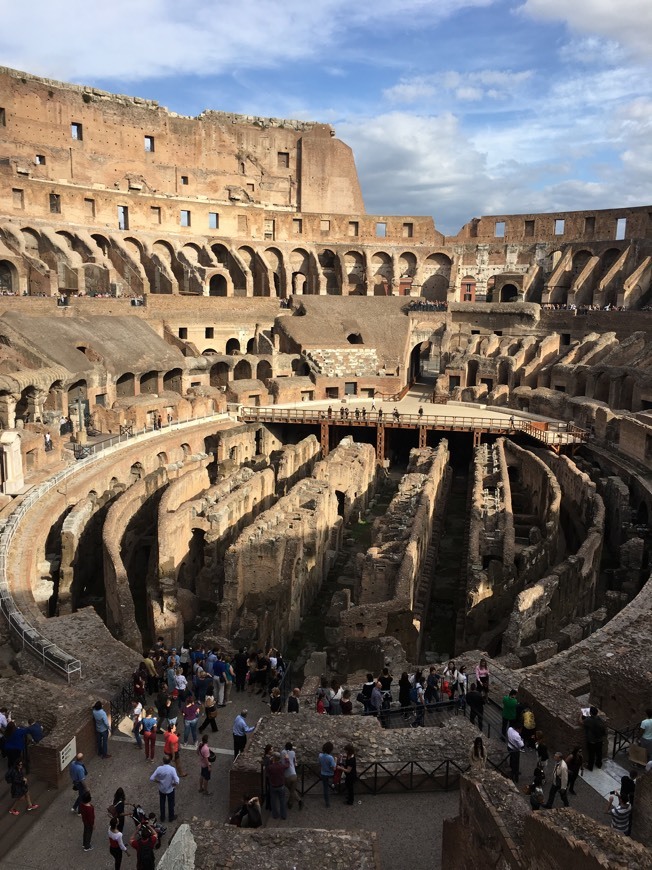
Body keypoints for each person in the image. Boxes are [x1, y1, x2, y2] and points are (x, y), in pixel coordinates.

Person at [149, 754, 179, 822]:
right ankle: (171, 817)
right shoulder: (172, 769)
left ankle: (162, 817)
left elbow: (151, 778)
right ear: (170, 761)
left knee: (162, 803)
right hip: (170, 789)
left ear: (163, 761)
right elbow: (177, 781)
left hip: (161, 789)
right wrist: (173, 784)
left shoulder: (159, 769)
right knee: (171, 803)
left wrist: (158, 781)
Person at [581, 706, 606, 770]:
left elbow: (581, 722)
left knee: (591, 755)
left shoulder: (589, 720)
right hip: (600, 740)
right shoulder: (599, 719)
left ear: (590, 713)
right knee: (599, 753)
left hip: (592, 741)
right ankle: (599, 764)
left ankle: (590, 767)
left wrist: (581, 715)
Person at [267, 751, 289, 819]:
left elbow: (268, 773)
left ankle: (275, 815)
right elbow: (288, 765)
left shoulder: (270, 767)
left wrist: (271, 761)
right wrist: (287, 759)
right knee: (282, 801)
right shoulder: (282, 766)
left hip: (273, 786)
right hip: (281, 786)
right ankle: (283, 816)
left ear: (274, 758)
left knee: (273, 802)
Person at [281, 742, 299, 810]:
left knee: (292, 790)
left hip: (286, 775)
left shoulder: (283, 752)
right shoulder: (293, 753)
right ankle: (292, 803)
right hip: (294, 774)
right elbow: (295, 762)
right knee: (292, 790)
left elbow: (282, 761)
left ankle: (291, 803)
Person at [319, 741, 337, 808]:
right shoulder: (330, 757)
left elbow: (320, 764)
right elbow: (334, 768)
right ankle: (334, 787)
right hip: (330, 774)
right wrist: (335, 760)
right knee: (334, 780)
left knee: (325, 788)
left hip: (323, 773)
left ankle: (327, 802)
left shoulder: (320, 756)